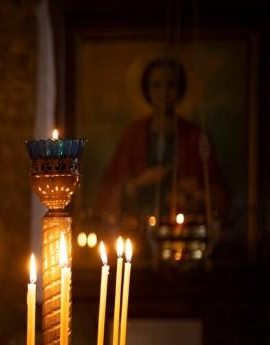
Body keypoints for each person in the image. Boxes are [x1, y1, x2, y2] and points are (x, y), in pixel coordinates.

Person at [95, 57, 227, 226]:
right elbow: (108, 190)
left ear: (180, 90)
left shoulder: (195, 136)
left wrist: (196, 194)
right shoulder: (133, 135)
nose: (164, 93)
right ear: (147, 90)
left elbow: (217, 192)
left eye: (171, 86)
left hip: (183, 227)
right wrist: (138, 183)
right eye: (156, 85)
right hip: (138, 226)